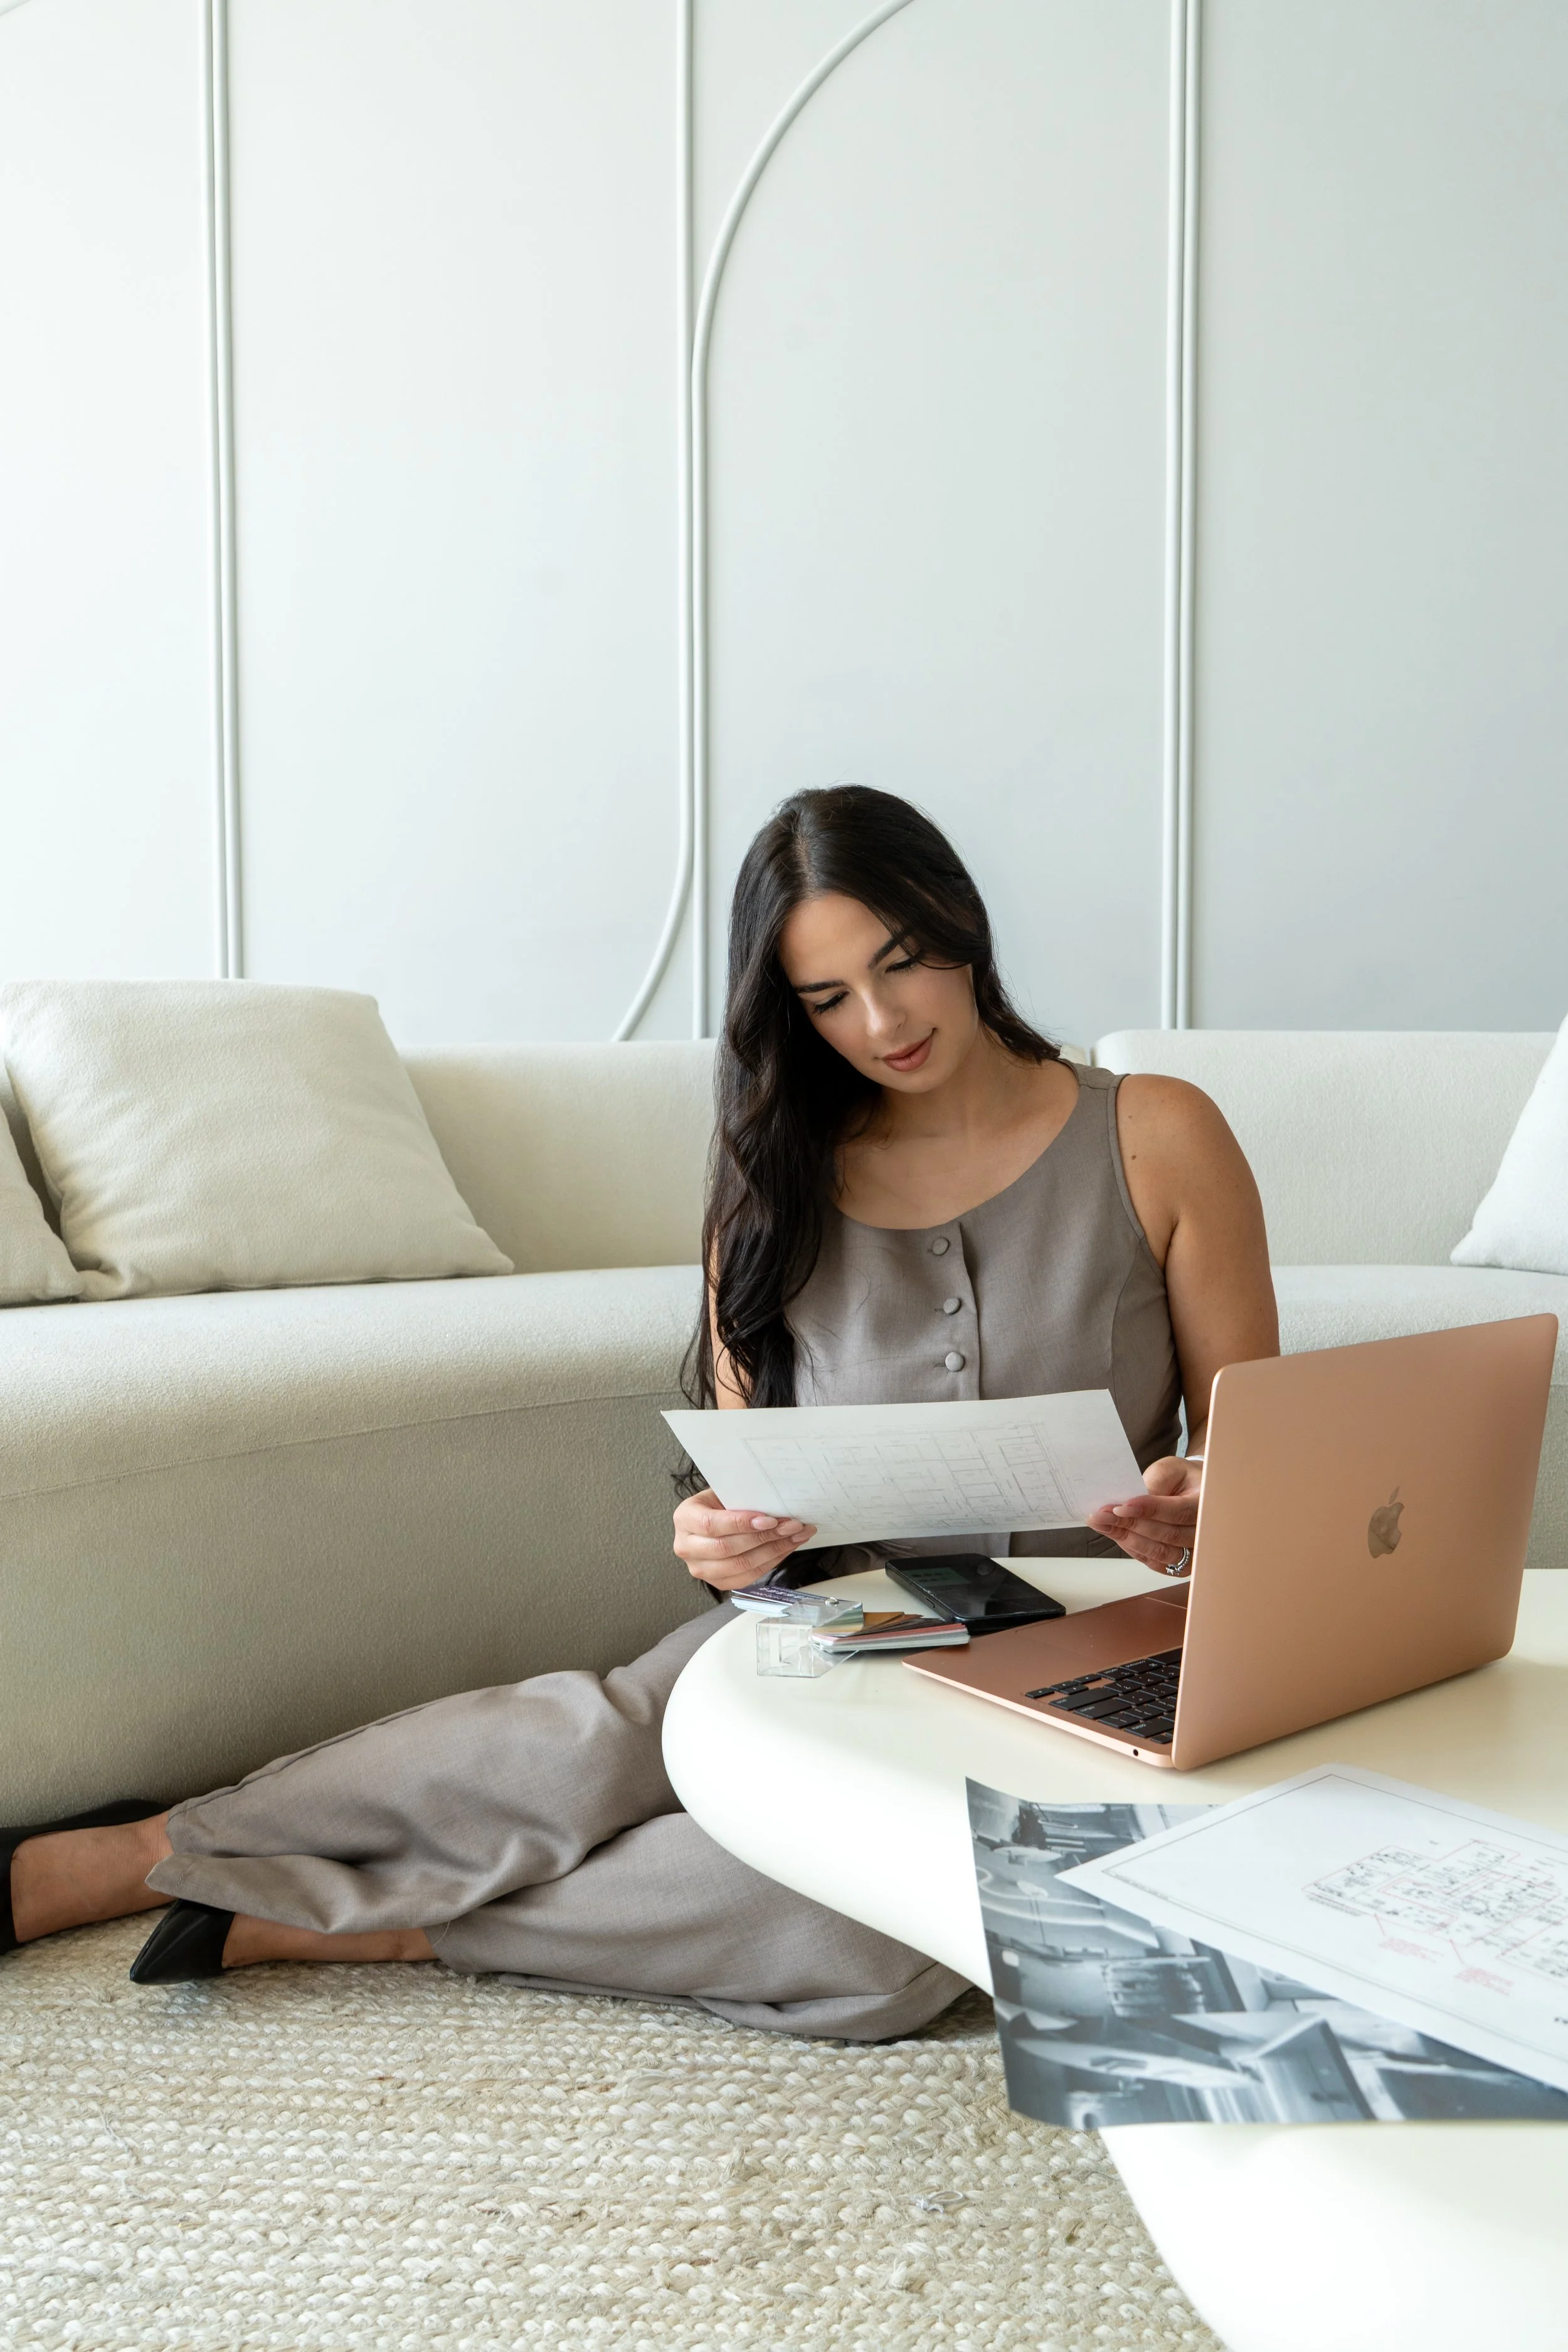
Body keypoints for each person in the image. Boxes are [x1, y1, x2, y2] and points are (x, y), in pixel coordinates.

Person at [0, 787, 1277, 2038]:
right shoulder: (778, 1175)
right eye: (826, 999)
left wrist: (1201, 1500)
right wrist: (723, 1540)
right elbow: (739, 1474)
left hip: (1092, 1652)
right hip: (856, 1624)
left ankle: (365, 1925)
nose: (880, 1021)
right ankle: (146, 1850)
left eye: (900, 965)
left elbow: (1255, 1451)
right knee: (589, 1748)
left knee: (881, 1950)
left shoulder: (1155, 1134)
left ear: (959, 924)